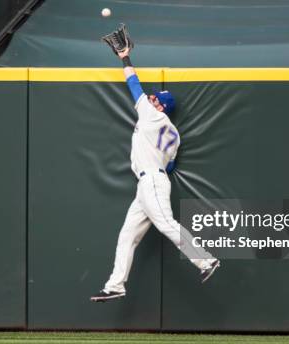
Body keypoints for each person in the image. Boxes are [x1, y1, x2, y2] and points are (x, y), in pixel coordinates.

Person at [90, 47, 220, 302]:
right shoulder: (175, 134)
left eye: (154, 99)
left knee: (167, 224)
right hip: (151, 181)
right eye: (151, 99)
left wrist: (124, 58)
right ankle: (115, 285)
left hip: (151, 181)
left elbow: (133, 84)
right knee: (127, 235)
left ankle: (206, 260)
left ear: (160, 106)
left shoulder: (151, 114)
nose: (149, 100)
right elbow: (170, 166)